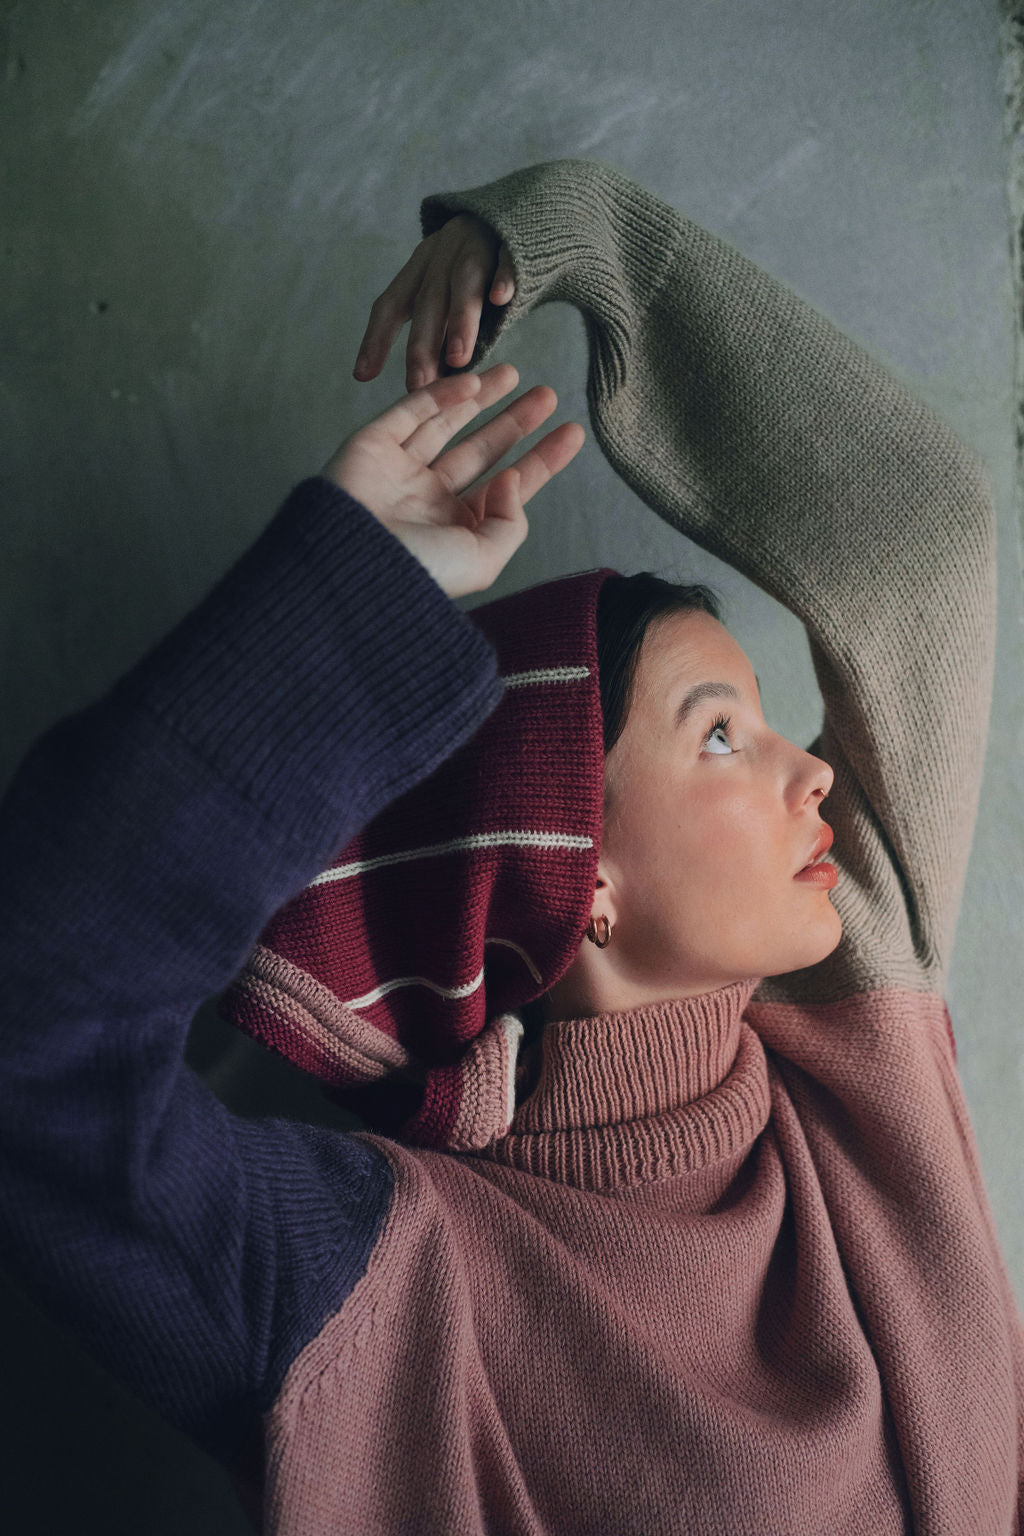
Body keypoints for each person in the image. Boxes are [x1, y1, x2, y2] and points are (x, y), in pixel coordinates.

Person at [0, 157, 1020, 1536]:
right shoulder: (382, 1283)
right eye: (722, 734)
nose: (814, 773)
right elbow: (34, 1040)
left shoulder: (856, 1037)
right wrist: (362, 593)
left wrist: (585, 237)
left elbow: (926, 552)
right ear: (575, 872)